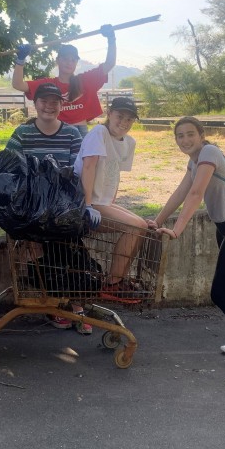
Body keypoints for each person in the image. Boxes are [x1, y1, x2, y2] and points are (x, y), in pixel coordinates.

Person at [149, 116, 225, 373]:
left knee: (220, 293)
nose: (185, 140)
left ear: (201, 134)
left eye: (189, 134)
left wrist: (177, 229)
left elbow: (196, 193)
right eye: (179, 136)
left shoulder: (209, 152)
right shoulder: (193, 162)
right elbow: (181, 191)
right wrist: (157, 220)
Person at [4, 82, 90, 333]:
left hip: (64, 208)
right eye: (44, 101)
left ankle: (75, 302)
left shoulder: (73, 134)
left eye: (54, 102)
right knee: (38, 248)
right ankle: (53, 301)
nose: (49, 106)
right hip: (33, 208)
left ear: (62, 105)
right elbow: (10, 166)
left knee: (71, 250)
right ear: (35, 103)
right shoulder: (22, 133)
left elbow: (79, 171)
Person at [73, 96, 148, 303]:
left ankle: (119, 279)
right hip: (85, 202)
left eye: (129, 119)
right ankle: (113, 283)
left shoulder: (129, 142)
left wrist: (112, 202)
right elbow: (88, 167)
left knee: (142, 226)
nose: (124, 123)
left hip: (102, 202)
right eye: (120, 116)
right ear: (109, 113)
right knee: (134, 227)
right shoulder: (99, 133)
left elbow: (114, 173)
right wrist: (88, 205)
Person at [11, 24, 117, 137]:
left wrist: (111, 39)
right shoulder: (48, 84)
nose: (69, 62)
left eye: (73, 60)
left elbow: (109, 64)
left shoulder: (85, 80)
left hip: (81, 132)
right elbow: (18, 84)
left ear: (76, 62)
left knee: (84, 155)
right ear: (57, 61)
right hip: (56, 131)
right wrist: (20, 59)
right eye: (65, 59)